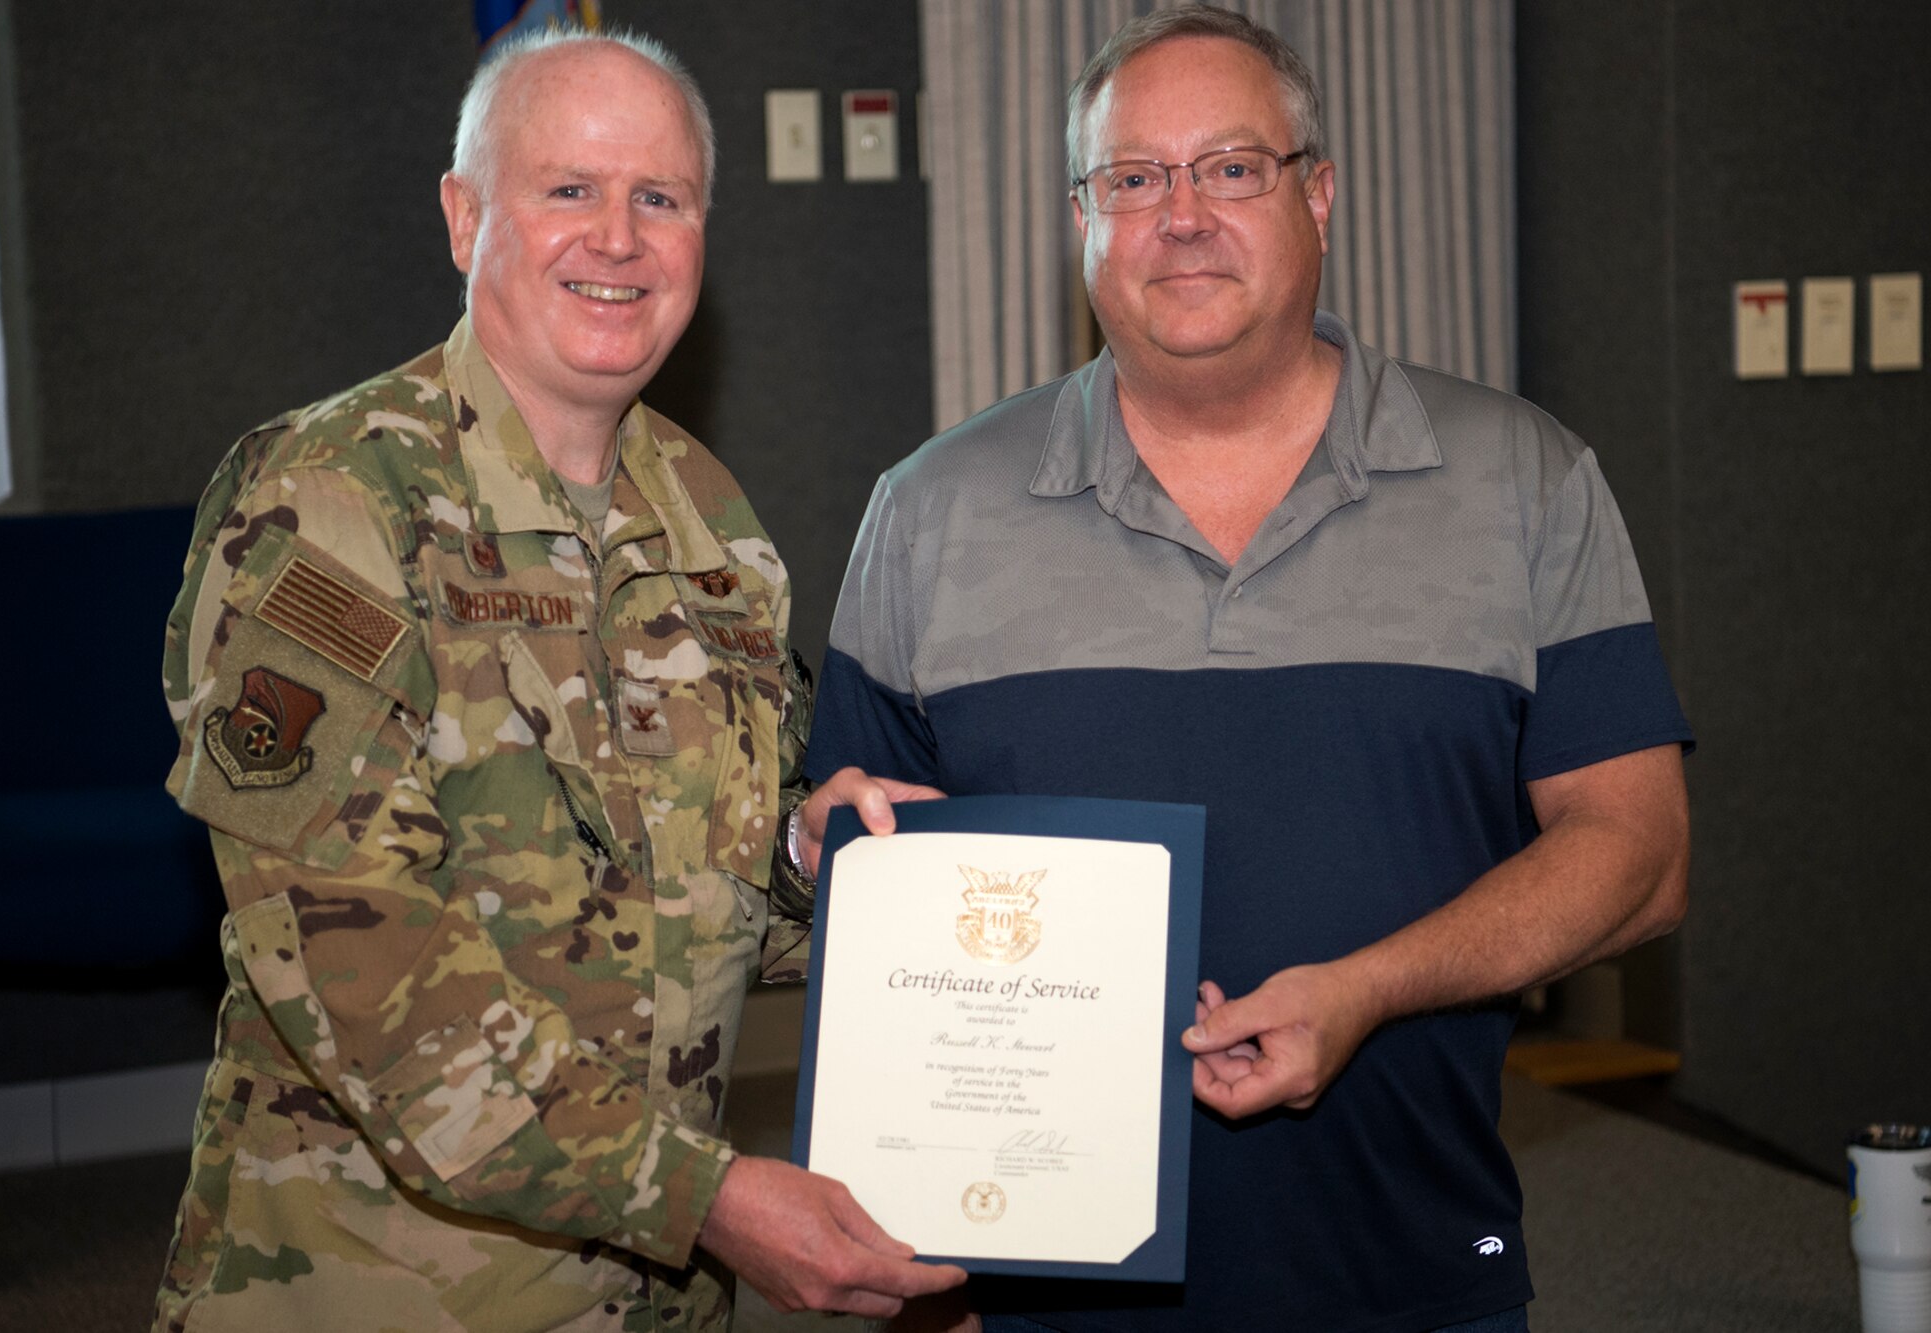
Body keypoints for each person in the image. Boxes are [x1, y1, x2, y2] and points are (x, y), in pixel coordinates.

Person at [800, 6, 1692, 1331]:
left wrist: (1369, 987)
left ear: (1317, 193)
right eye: (1133, 178)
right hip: (1026, 1295)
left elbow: (1641, 851)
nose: (1182, 214)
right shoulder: (928, 510)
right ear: (1082, 217)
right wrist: (823, 844)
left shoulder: (1526, 481)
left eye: (1231, 167)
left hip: (1409, 1271)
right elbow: (852, 867)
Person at [153, 28, 961, 1332]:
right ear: (465, 216)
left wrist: (815, 858)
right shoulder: (327, 505)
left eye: (662, 197)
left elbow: (705, 885)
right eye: (568, 190)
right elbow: (373, 978)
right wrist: (711, 1197)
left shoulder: (710, 521)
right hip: (388, 1291)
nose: (619, 237)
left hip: (655, 1295)